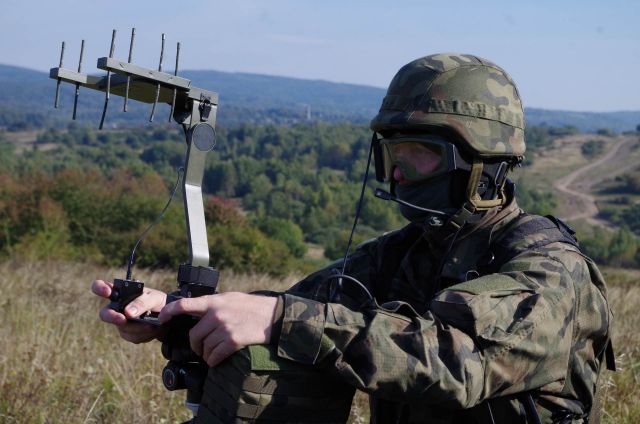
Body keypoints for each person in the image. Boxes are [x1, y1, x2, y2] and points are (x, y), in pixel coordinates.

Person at [92, 53, 614, 423]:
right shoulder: (408, 251)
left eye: (419, 154)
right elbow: (300, 306)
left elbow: (460, 361)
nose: (400, 173)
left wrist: (282, 318)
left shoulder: (550, 271)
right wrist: (180, 313)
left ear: (483, 164)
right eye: (392, 155)